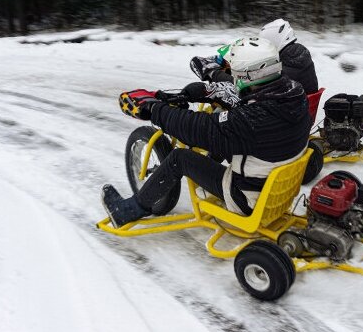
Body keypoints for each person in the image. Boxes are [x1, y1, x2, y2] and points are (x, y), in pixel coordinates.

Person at [102, 37, 311, 227]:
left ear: (249, 74)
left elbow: (199, 129)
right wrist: (208, 91)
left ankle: (128, 211)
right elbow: (245, 104)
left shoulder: (250, 121)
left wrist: (155, 110)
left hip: (247, 198)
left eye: (236, 72)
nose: (234, 77)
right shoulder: (294, 93)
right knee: (223, 130)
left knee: (180, 158)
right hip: (276, 186)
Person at [190, 19, 319, 98]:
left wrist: (214, 73)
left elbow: (247, 82)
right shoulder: (297, 54)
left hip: (279, 111)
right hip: (297, 106)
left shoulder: (284, 66)